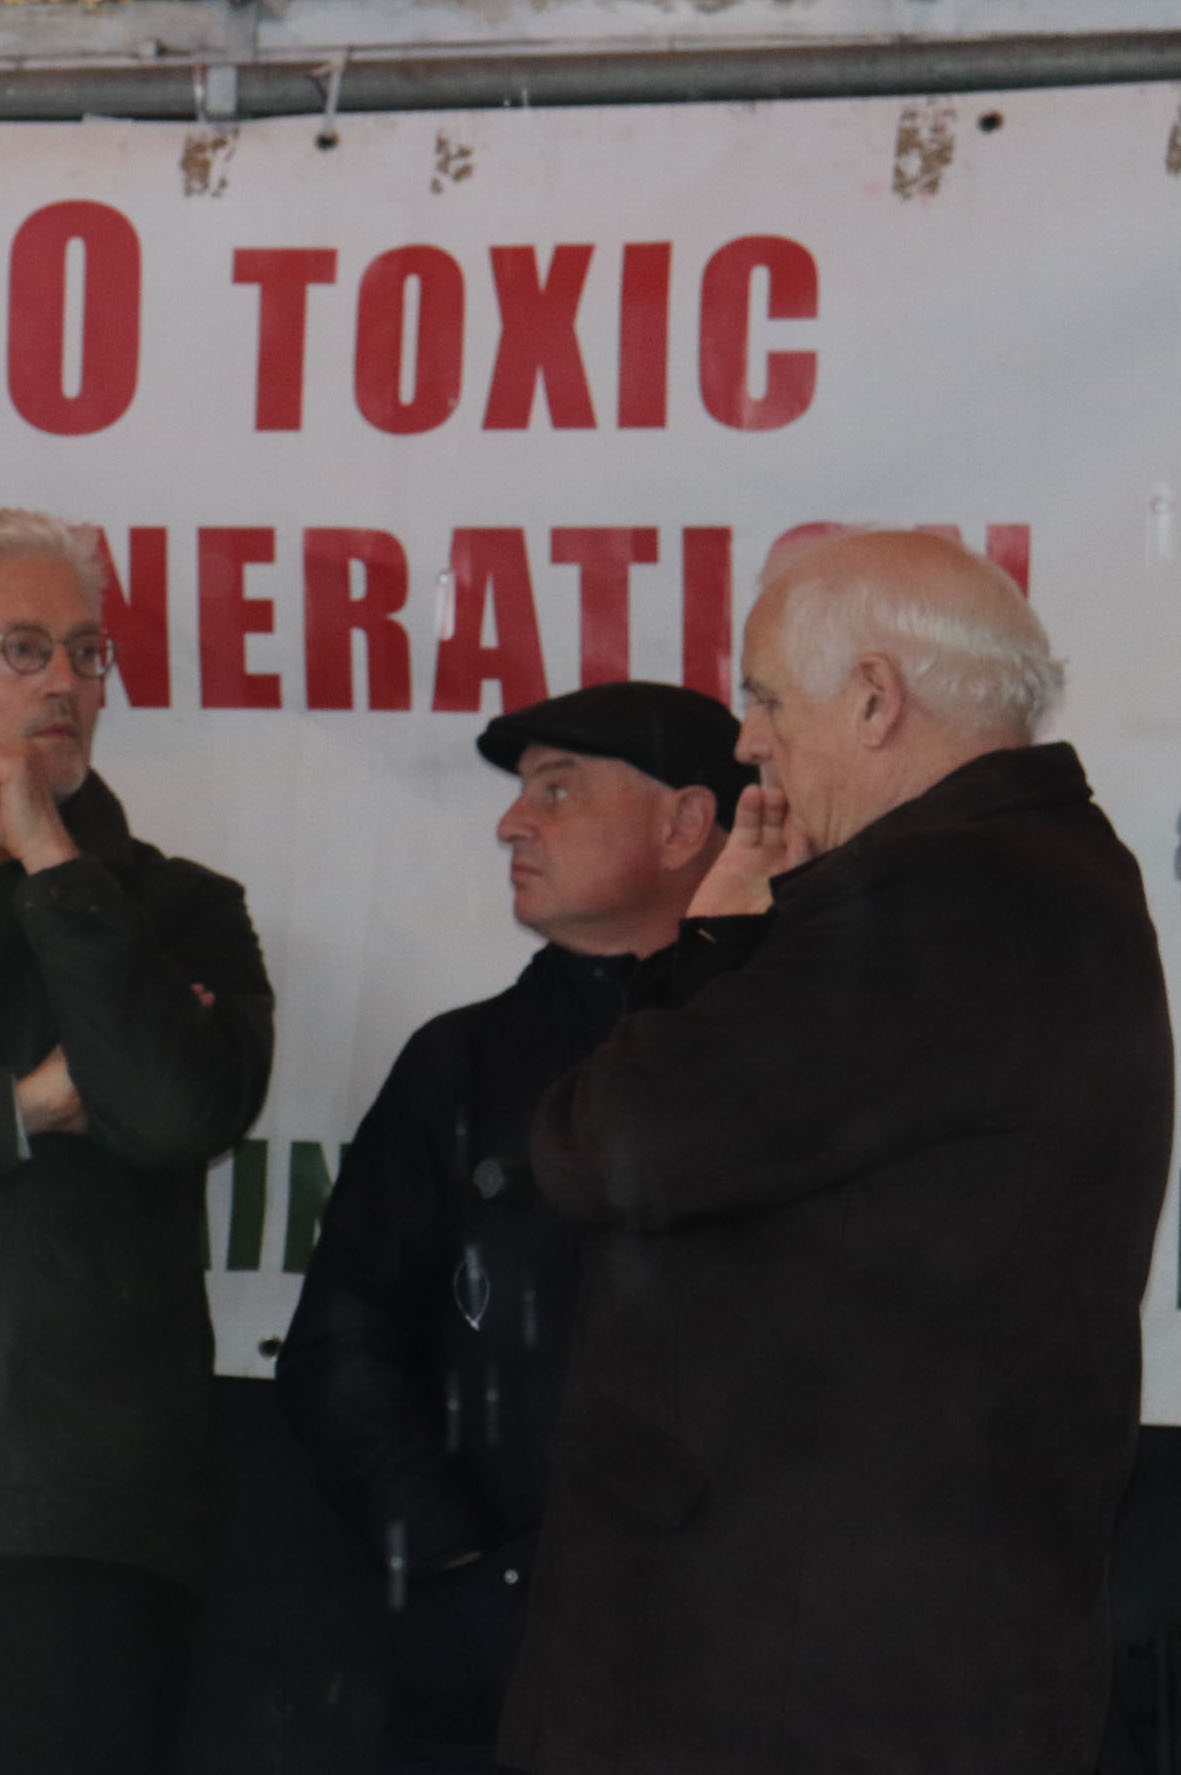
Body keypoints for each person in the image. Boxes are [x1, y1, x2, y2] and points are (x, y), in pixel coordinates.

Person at [497, 529, 1174, 1773]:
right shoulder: (1034, 883)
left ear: (873, 699)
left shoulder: (944, 902)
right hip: (866, 1662)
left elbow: (605, 1144)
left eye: (761, 694)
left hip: (805, 1683)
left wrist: (696, 948)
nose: (746, 736)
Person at [0, 509, 274, 1775]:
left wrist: (46, 853)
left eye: (86, 653)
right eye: (23, 649)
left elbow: (174, 1107)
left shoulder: (182, 910)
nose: (69, 682)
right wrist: (14, 1110)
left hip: (90, 1529)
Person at [275, 680, 747, 1773]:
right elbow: (342, 1342)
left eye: (559, 789)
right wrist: (461, 1563)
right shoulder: (462, 1062)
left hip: (745, 1667)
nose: (510, 820)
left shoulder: (783, 1057)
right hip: (485, 1683)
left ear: (684, 825)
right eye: (523, 790)